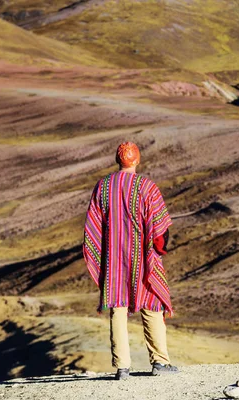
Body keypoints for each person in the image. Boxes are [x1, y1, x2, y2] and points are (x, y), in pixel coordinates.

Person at [83, 141, 179, 379]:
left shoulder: (103, 187)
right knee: (152, 306)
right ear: (137, 160)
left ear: (118, 160)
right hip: (143, 260)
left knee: (117, 308)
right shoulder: (147, 187)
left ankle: (122, 367)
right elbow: (160, 230)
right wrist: (159, 249)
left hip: (114, 260)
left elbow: (92, 229)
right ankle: (160, 363)